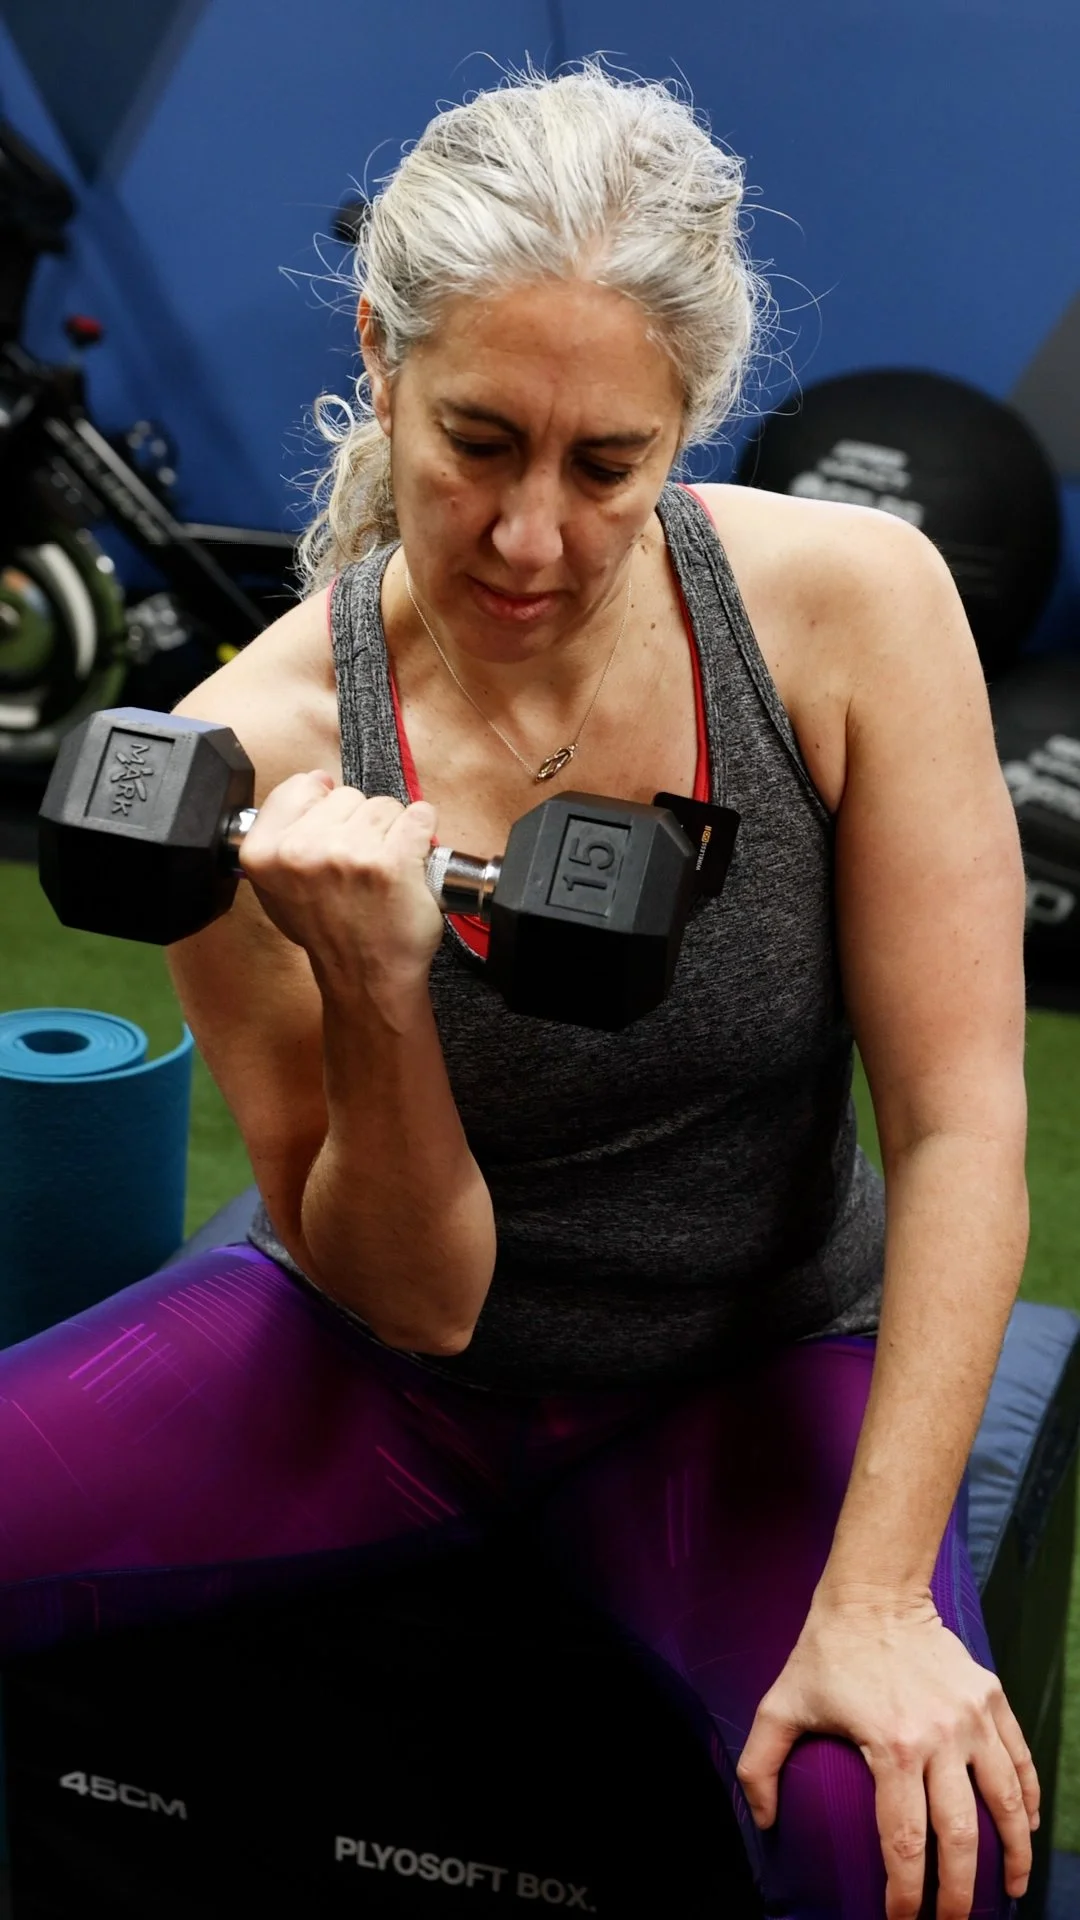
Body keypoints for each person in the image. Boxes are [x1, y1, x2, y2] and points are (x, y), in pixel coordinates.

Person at [0, 62, 1039, 1919]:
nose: (531, 537)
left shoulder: (853, 607)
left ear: (690, 422)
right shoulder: (243, 760)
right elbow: (412, 1297)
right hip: (377, 1370)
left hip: (761, 1360)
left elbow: (963, 1116)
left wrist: (879, 1596)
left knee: (888, 1842)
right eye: (478, 439)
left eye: (607, 464)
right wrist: (383, 992)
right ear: (380, 361)